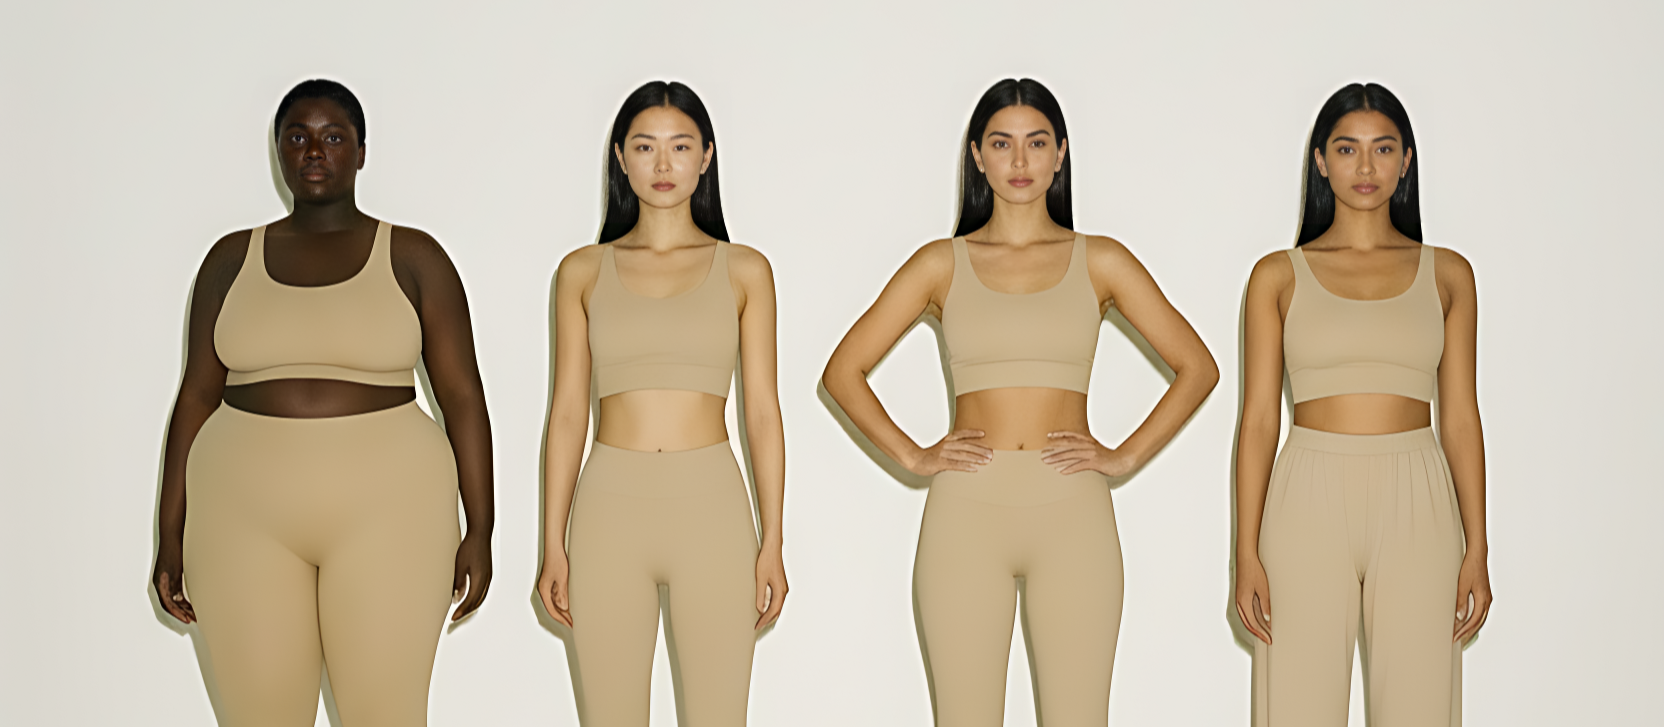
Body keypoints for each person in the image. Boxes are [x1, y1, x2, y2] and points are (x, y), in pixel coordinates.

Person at [821, 78, 1218, 726]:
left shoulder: (1101, 261)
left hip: (1072, 510)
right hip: (967, 512)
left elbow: (1198, 365)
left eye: (1036, 143)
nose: (1020, 161)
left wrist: (1124, 455)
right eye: (1002, 144)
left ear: (1060, 153)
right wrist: (915, 455)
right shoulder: (942, 263)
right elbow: (843, 369)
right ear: (977, 155)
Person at [150, 79, 494, 726]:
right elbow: (194, 397)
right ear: (277, 151)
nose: (314, 150)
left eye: (333, 136)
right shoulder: (229, 260)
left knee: (385, 714)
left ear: (362, 152)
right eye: (297, 137)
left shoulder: (416, 257)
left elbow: (463, 398)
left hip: (393, 510)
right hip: (239, 514)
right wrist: (169, 533)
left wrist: (482, 526)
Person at [1232, 82, 1492, 727]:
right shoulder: (1278, 275)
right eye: (1348, 149)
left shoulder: (1449, 274)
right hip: (1305, 495)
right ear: (1321, 160)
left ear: (1406, 160)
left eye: (1383, 149)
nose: (1366, 167)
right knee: (1296, 708)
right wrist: (1244, 552)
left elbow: (1460, 417)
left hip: (1420, 495)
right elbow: (1260, 420)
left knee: (1420, 710)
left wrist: (1479, 547)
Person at [536, 80, 787, 726]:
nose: (664, 163)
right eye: (645, 147)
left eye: (680, 147)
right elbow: (567, 414)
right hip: (608, 508)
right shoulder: (582, 272)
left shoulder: (745, 270)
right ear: (620, 157)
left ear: (706, 156)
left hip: (712, 505)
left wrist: (773, 540)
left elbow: (761, 412)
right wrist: (552, 542)